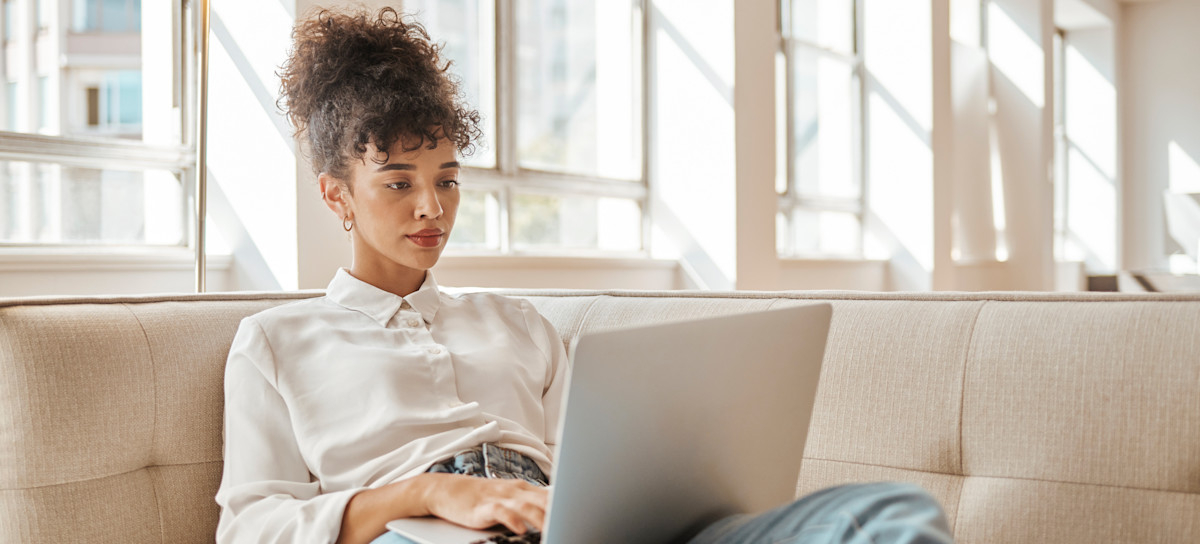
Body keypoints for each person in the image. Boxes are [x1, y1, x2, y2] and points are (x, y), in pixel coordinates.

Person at [215, 7, 955, 544]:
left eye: (448, 178)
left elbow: (597, 475)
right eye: (399, 183)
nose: (432, 207)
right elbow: (252, 527)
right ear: (335, 194)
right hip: (430, 534)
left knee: (890, 514)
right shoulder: (277, 343)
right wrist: (433, 492)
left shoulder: (518, 325)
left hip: (575, 528)